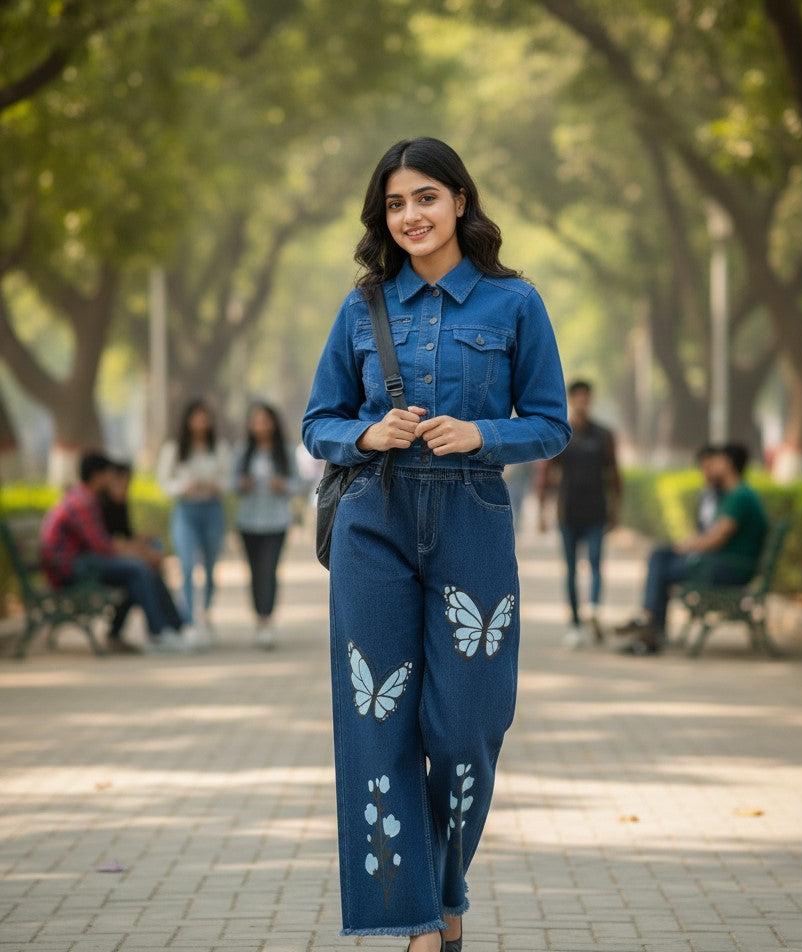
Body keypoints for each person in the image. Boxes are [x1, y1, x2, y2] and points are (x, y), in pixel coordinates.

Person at [302, 137, 570, 951]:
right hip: (372, 527)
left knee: (466, 729)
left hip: (471, 522)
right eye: (394, 204)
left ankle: (446, 887)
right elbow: (318, 423)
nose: (410, 215)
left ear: (459, 200)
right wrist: (368, 431)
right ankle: (418, 923)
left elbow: (550, 423)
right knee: (376, 723)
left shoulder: (513, 303)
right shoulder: (362, 306)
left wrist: (480, 434)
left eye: (424, 197)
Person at [615, 443, 768, 655]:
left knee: (662, 568)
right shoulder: (730, 496)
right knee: (660, 554)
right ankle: (650, 624)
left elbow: (716, 538)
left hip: (729, 569)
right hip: (719, 564)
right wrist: (685, 546)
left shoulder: (740, 497)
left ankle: (650, 626)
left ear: (729, 464)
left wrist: (687, 547)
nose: (712, 465)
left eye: (718, 461)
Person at [40, 451, 194, 653]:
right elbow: (102, 547)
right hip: (70, 569)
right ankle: (161, 633)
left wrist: (140, 550)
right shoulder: (82, 502)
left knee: (137, 576)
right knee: (138, 569)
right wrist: (141, 554)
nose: (111, 478)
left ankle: (169, 630)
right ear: (97, 475)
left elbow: (107, 544)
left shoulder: (86, 498)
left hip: (81, 564)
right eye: (108, 474)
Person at [535, 380, 621, 648]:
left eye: (587, 396)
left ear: (591, 399)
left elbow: (614, 473)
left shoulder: (604, 434)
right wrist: (542, 510)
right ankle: (574, 624)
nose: (583, 401)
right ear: (572, 399)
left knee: (595, 563)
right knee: (571, 569)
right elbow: (546, 473)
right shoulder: (562, 432)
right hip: (567, 511)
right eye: (578, 397)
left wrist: (617, 508)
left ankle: (593, 609)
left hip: (596, 510)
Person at [157, 399, 231, 638]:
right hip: (185, 511)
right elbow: (164, 482)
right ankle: (188, 619)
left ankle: (205, 613)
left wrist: (214, 486)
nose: (201, 422)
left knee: (209, 567)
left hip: (212, 510)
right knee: (187, 565)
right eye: (197, 416)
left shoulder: (218, 447)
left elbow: (229, 480)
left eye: (205, 416)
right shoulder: (174, 449)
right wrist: (182, 487)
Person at [100, 460, 184, 651]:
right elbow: (106, 546)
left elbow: (126, 538)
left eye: (126, 483)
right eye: (118, 482)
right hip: (96, 565)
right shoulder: (98, 504)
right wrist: (143, 553)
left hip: (111, 562)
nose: (123, 488)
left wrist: (145, 543)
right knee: (141, 573)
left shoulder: (119, 504)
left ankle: (173, 628)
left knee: (145, 574)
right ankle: (161, 632)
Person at [234, 402, 299, 649]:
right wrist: (242, 484)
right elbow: (231, 483)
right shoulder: (243, 452)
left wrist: (283, 486)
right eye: (256, 421)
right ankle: (259, 619)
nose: (260, 425)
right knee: (253, 572)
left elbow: (299, 484)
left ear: (273, 423)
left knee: (269, 569)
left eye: (265, 420)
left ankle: (267, 620)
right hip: (248, 521)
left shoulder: (284, 451)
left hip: (276, 521)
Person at [695, 444, 722, 532]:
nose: (707, 473)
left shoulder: (732, 495)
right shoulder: (705, 494)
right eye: (704, 468)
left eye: (710, 467)